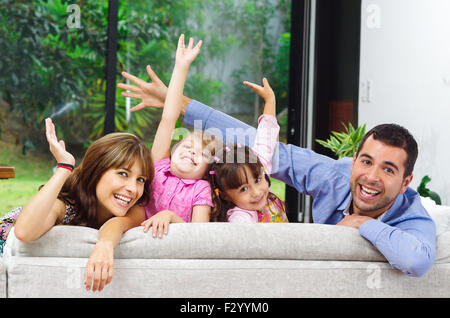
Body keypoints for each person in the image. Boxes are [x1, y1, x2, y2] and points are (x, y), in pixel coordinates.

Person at [118, 67, 436, 277]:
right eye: (366, 162)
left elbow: (417, 260)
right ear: (353, 161)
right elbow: (260, 147)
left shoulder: (412, 215)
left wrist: (360, 222)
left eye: (388, 170)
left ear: (407, 182)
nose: (371, 177)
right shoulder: (332, 174)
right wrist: (179, 104)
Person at [1, 117, 154, 292]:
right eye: (123, 174)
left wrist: (105, 245)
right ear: (96, 171)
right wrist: (64, 168)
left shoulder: (135, 211)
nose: (133, 189)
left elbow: (117, 224)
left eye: (141, 179)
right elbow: (24, 232)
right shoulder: (65, 205)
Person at [136, 34, 220, 238]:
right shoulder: (159, 167)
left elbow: (199, 235)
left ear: (208, 170)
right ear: (173, 151)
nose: (192, 152)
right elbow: (168, 118)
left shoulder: (201, 189)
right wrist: (181, 67)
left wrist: (171, 217)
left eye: (202, 154)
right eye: (188, 146)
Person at [208, 78, 288, 223]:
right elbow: (240, 232)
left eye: (257, 180)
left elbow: (266, 136)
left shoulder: (259, 167)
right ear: (225, 195)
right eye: (243, 189)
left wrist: (270, 100)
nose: (256, 193)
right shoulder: (241, 216)